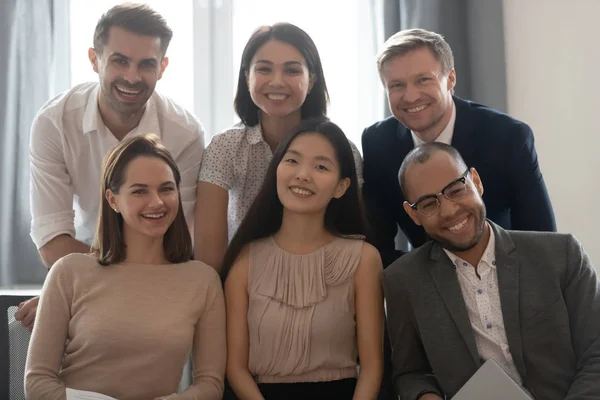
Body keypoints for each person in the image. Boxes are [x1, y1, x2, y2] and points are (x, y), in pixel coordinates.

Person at [17, 3, 204, 329]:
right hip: (87, 259)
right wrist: (75, 287)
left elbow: (177, 244)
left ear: (162, 67)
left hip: (156, 274)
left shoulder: (185, 134)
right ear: (94, 60)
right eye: (119, 61)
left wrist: (79, 288)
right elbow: (53, 242)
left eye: (146, 64)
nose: (132, 77)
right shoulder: (54, 123)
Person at [383, 142, 600, 400]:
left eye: (455, 189)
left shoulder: (562, 254)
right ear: (413, 214)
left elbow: (596, 351)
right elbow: (409, 373)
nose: (450, 211)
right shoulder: (402, 280)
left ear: (476, 181)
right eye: (429, 204)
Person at [25, 134, 225, 400]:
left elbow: (210, 384)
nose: (157, 202)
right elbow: (37, 383)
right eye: (140, 191)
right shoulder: (68, 272)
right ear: (113, 200)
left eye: (166, 188)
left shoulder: (203, 281)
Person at [361, 28, 555, 268]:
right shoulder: (378, 142)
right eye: (397, 85)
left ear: (450, 78)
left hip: (505, 274)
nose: (410, 97)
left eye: (423, 80)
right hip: (427, 283)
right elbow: (378, 245)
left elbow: (542, 239)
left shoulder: (508, 136)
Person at [223, 119, 383, 400]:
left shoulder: (364, 259)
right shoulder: (245, 259)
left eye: (321, 167)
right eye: (292, 161)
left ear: (341, 186)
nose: (303, 175)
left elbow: (372, 367)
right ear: (276, 170)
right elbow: (235, 368)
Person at [195, 22, 363, 270]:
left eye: (292, 71)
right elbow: (209, 261)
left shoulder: (342, 150)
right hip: (239, 285)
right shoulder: (225, 147)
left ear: (312, 79)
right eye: (264, 69)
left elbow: (351, 235)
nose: (277, 82)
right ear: (246, 77)